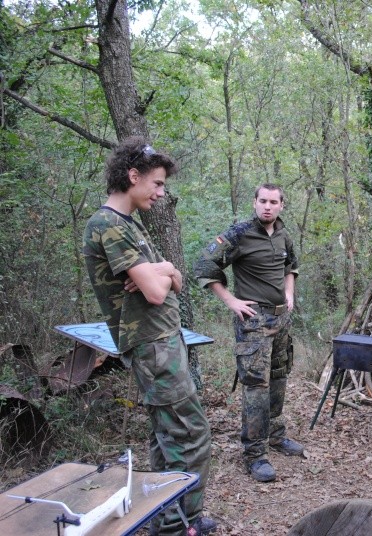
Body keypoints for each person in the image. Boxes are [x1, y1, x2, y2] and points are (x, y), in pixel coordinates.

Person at [82, 137, 215, 536]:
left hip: (164, 339)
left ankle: (172, 519)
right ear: (133, 176)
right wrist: (161, 275)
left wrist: (165, 268)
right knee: (190, 433)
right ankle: (176, 526)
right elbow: (159, 291)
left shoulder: (128, 224)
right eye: (156, 184)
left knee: (168, 436)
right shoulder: (106, 223)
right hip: (153, 347)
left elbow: (172, 280)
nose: (160, 193)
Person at [194, 183, 303, 483]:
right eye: (263, 201)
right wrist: (231, 301)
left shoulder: (283, 235)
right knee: (256, 386)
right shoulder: (239, 234)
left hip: (281, 320)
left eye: (274, 202)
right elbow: (204, 265)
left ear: (282, 204)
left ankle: (276, 436)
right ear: (254, 202)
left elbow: (291, 266)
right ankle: (255, 454)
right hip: (254, 322)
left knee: (279, 377)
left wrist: (289, 293)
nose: (268, 206)